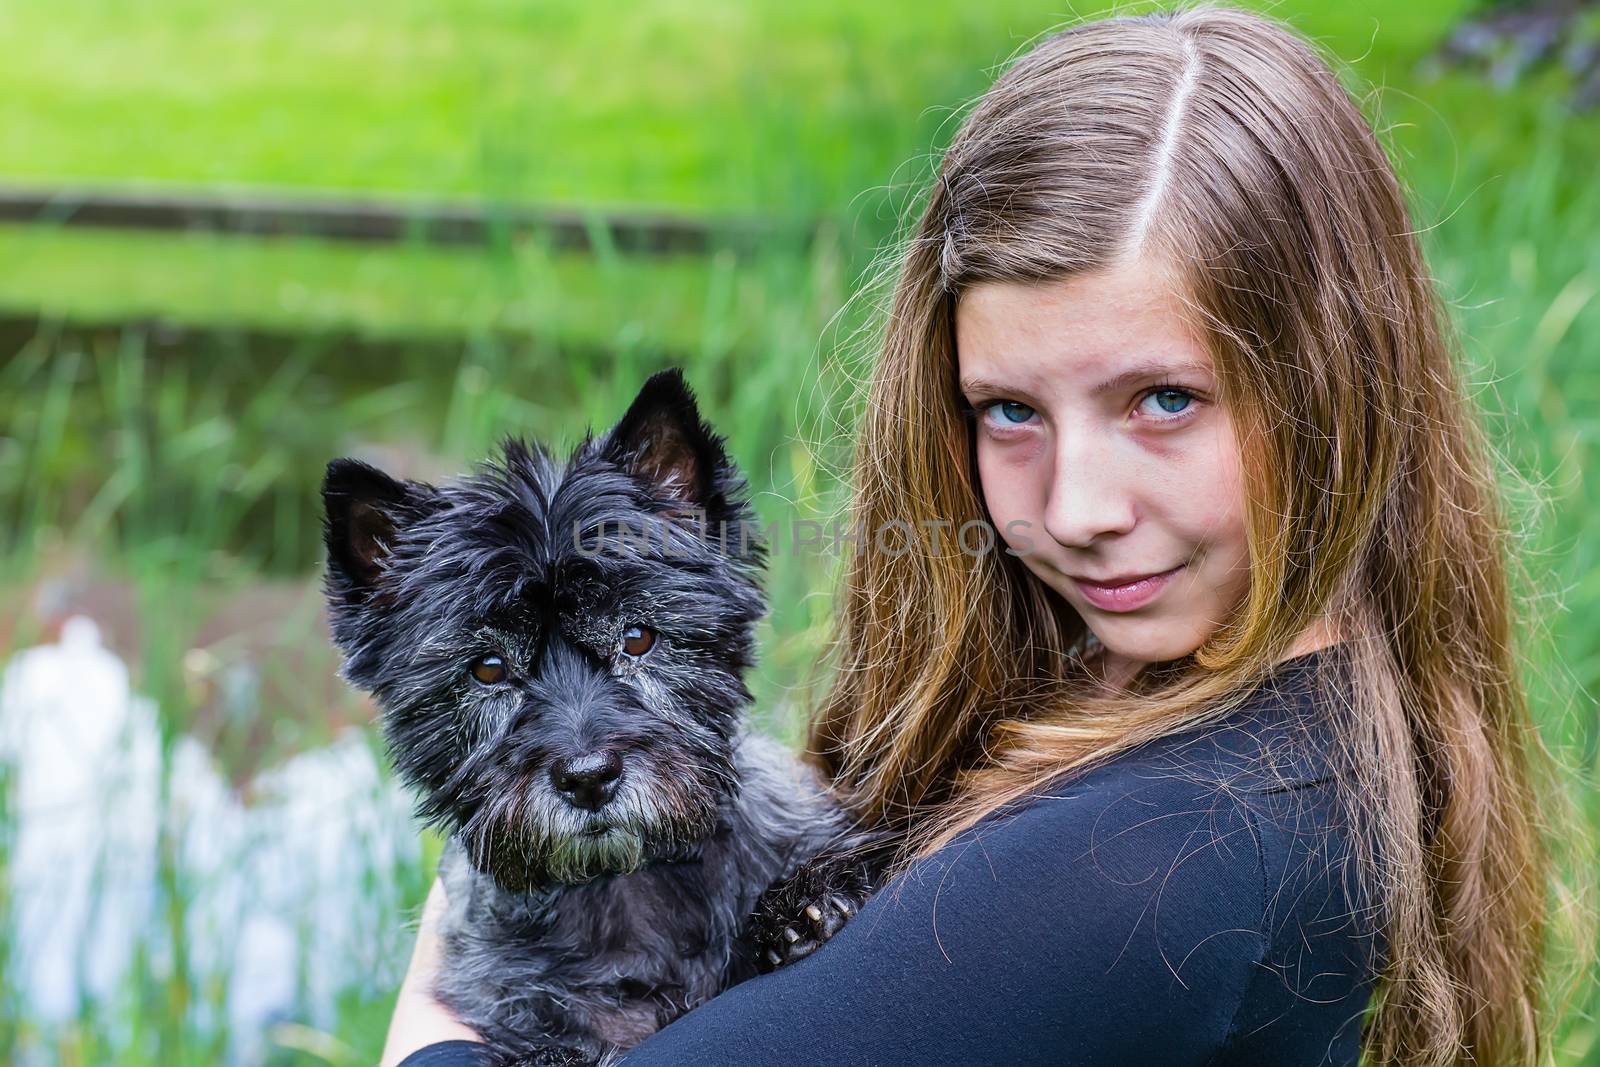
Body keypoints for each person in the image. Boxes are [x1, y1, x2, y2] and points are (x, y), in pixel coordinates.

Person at [383, 5, 1588, 1065]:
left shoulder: (1154, 865)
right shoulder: (1247, 709)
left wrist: (440, 997)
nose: (1072, 509)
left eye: (1163, 399)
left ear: (1334, 388)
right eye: (1008, 409)